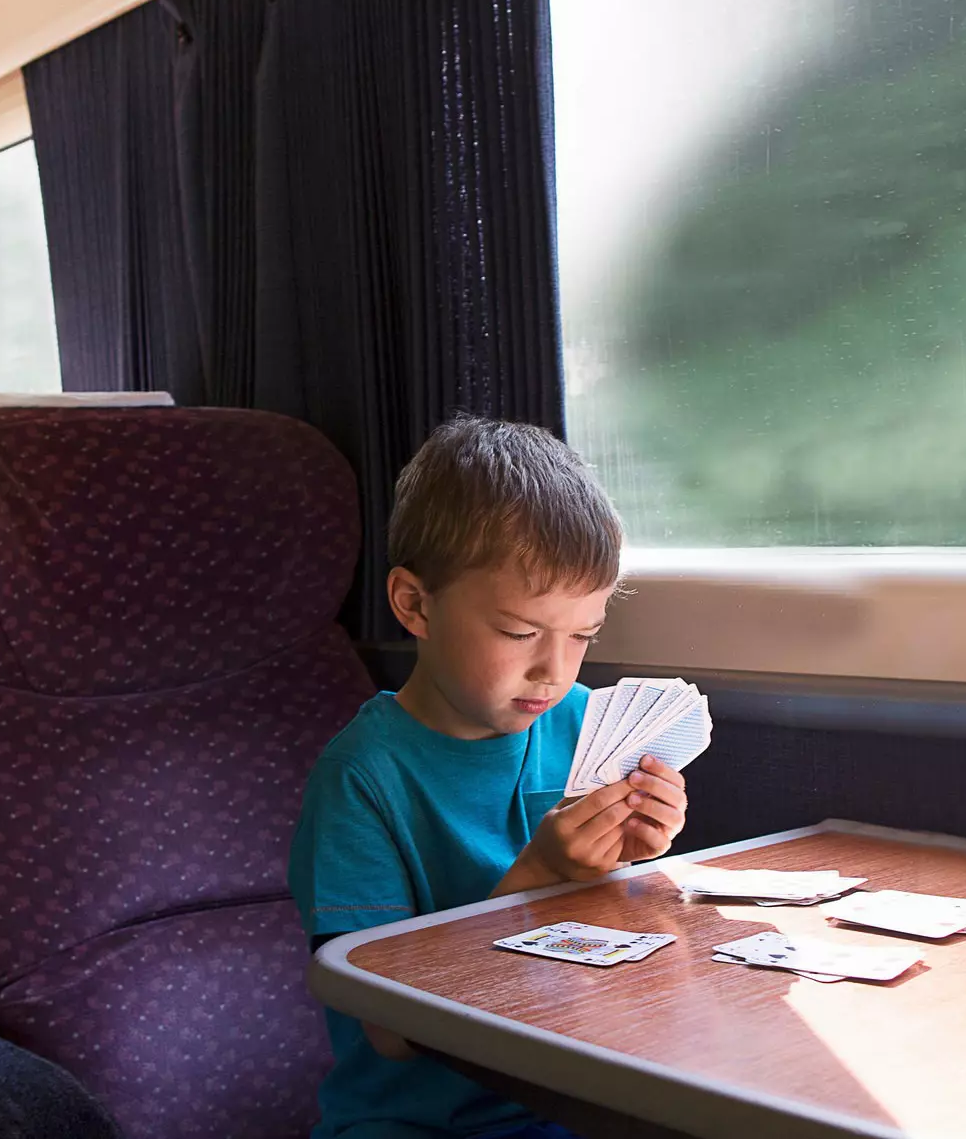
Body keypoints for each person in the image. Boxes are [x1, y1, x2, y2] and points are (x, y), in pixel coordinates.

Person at [289, 416, 690, 1139]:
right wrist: (538, 874)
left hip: (568, 1093)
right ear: (415, 604)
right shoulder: (363, 779)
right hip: (418, 1118)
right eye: (519, 632)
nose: (556, 669)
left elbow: (617, 951)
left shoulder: (582, 726)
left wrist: (636, 854)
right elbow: (389, 1028)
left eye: (582, 635)